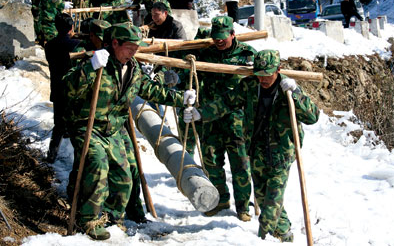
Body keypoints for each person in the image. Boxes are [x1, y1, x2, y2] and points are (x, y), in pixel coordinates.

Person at [63, 23, 196, 240]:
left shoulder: (132, 69)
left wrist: (180, 98)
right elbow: (66, 88)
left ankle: (113, 219)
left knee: (124, 177)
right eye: (130, 47)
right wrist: (90, 68)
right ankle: (89, 220)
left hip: (114, 129)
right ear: (115, 44)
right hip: (89, 127)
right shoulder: (94, 62)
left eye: (137, 48)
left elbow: (150, 90)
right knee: (97, 167)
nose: (134, 52)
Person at [184, 49, 320, 242]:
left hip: (281, 155)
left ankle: (262, 238)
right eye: (259, 74)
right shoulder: (249, 86)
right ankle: (284, 234)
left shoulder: (287, 90)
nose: (263, 79)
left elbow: (313, 117)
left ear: (278, 70)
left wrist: (296, 93)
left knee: (272, 203)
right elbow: (226, 103)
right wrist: (200, 114)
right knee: (264, 199)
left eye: (267, 75)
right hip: (256, 151)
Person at [179, 16, 256, 221]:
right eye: (216, 37)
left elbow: (261, 80)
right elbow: (187, 68)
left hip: (236, 121)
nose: (219, 41)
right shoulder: (206, 53)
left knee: (240, 165)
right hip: (209, 119)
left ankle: (242, 207)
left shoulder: (246, 55)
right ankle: (221, 200)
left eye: (223, 37)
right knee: (212, 163)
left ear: (233, 34)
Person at [44, 13, 82, 163]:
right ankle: (78, 160)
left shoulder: (49, 45)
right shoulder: (76, 45)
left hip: (57, 88)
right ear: (72, 28)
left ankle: (51, 155)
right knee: (77, 126)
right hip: (72, 91)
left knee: (58, 125)